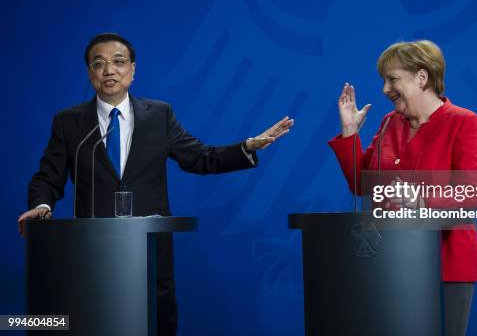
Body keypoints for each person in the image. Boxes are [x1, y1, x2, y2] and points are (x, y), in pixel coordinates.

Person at [17, 32, 294, 336]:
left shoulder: (159, 115)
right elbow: (48, 176)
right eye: (99, 63)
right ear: (90, 73)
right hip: (92, 251)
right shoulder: (69, 123)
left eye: (118, 62)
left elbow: (201, 158)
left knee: (155, 325)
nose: (109, 70)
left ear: (133, 70)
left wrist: (248, 146)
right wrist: (41, 206)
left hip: (148, 252)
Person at [328, 40, 477, 336]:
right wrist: (350, 132)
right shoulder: (390, 123)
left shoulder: (465, 123)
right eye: (384, 80)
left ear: (421, 78)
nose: (385, 89)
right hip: (390, 260)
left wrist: (420, 200)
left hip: (444, 263)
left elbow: (470, 195)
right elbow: (362, 186)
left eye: (392, 79)